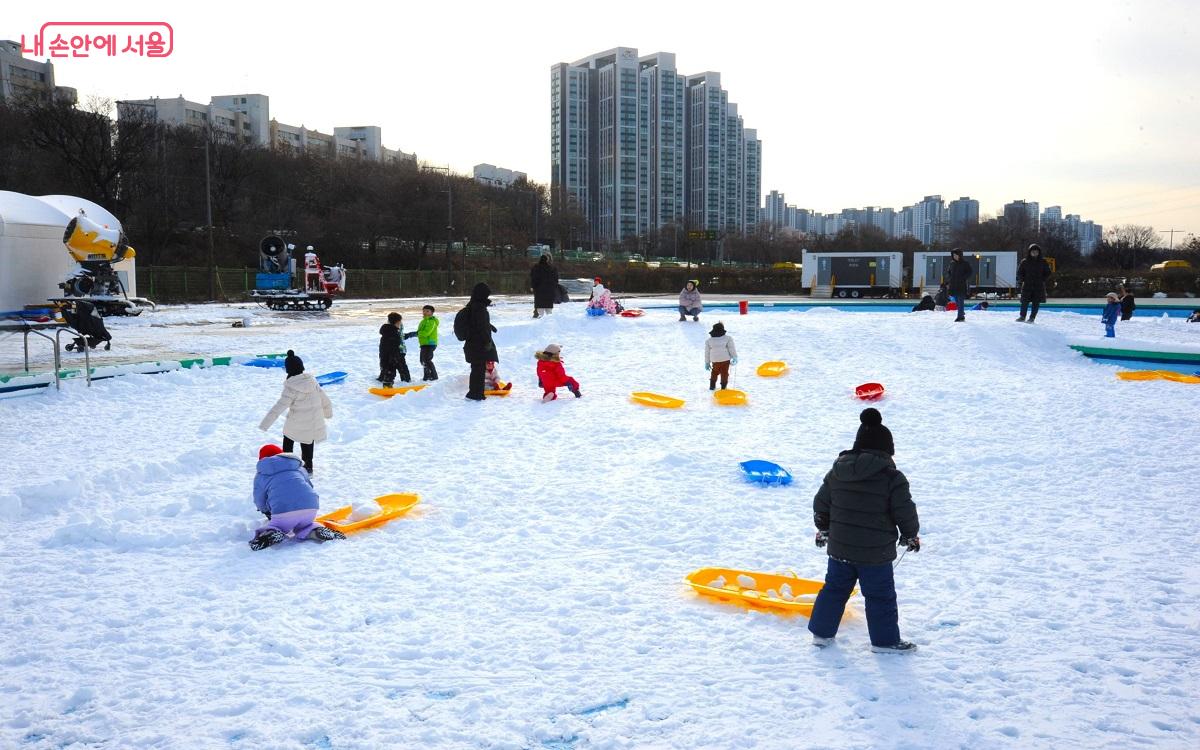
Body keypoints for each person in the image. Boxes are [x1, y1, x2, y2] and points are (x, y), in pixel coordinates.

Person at [808, 408, 920, 653]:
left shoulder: (837, 472)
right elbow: (904, 510)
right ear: (887, 449)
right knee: (880, 596)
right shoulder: (892, 477)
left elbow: (821, 504)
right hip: (875, 554)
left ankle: (821, 634)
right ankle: (885, 642)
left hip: (840, 549)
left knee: (834, 589)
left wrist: (823, 528)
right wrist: (910, 534)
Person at [249, 444, 345, 550]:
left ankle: (272, 533)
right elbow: (309, 486)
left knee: (278, 526)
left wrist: (266, 511)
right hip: (310, 508)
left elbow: (260, 498)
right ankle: (315, 531)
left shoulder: (262, 475)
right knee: (306, 525)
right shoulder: (298, 468)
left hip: (283, 512)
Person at [258, 351, 333, 475]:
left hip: (297, 421)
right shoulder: (312, 382)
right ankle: (308, 467)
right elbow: (325, 400)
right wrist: (328, 413)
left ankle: (286, 462)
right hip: (313, 422)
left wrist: (265, 424)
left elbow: (278, 407)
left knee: (288, 438)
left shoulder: (291, 387)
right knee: (308, 441)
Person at [460, 282, 498, 401]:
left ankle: (475, 392)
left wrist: (489, 325)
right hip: (479, 344)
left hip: (472, 343)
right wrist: (487, 342)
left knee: (477, 369)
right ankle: (475, 394)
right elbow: (481, 326)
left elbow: (476, 323)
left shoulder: (472, 306)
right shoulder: (480, 308)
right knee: (478, 370)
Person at [1016, 243, 1052, 323]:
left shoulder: (1043, 262)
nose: (1034, 253)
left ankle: (1032, 318)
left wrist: (1043, 279)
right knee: (1024, 302)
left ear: (1039, 252)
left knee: (1036, 302)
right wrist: (1023, 280)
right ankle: (1022, 316)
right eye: (1033, 251)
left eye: (1036, 251)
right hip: (1027, 285)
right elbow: (1019, 273)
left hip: (1038, 286)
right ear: (1029, 252)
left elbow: (1048, 272)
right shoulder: (1024, 262)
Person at [404, 305, 439, 381]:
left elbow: (426, 333)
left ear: (432, 313)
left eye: (427, 311)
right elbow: (420, 332)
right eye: (424, 311)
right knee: (422, 360)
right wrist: (411, 334)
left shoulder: (432, 321)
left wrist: (413, 334)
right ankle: (427, 376)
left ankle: (433, 376)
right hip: (424, 344)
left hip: (430, 344)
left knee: (426, 360)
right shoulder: (423, 321)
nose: (425, 312)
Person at [377, 312, 411, 387]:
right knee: (394, 370)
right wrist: (394, 356)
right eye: (400, 322)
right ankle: (390, 385)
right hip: (393, 356)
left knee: (389, 370)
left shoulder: (387, 331)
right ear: (398, 322)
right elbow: (393, 346)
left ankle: (403, 381)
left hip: (385, 355)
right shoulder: (394, 333)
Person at [704, 322, 737, 391]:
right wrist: (734, 357)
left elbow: (707, 352)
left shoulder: (709, 341)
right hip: (725, 359)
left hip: (715, 360)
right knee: (724, 373)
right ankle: (723, 387)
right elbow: (731, 348)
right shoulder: (728, 338)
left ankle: (712, 386)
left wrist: (707, 363)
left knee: (714, 372)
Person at [946, 248, 974, 322]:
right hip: (953, 285)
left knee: (960, 300)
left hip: (961, 285)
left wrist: (963, 278)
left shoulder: (965, 263)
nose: (954, 256)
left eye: (956, 255)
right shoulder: (952, 263)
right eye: (953, 255)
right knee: (957, 301)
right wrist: (949, 279)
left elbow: (970, 272)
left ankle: (960, 317)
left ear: (960, 255)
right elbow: (948, 272)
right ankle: (961, 312)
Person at [530, 254, 560, 318]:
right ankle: (549, 321)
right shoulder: (552, 268)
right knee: (549, 310)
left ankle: (540, 318)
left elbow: (533, 278)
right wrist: (554, 286)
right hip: (549, 290)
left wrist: (532, 286)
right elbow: (556, 279)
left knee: (540, 308)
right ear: (547, 260)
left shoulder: (536, 267)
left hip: (539, 290)